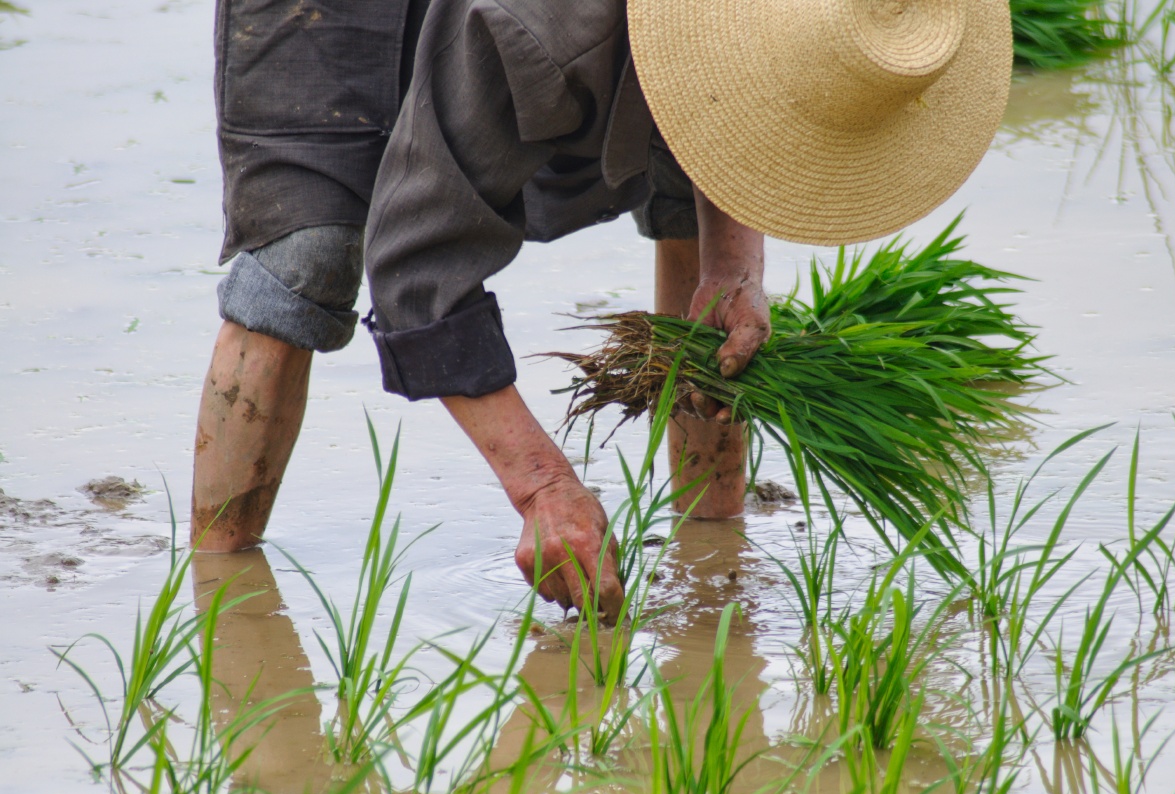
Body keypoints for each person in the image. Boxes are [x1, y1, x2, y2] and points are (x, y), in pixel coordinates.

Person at [191, 0, 1013, 619]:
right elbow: (415, 267)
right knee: (309, 249)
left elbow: (737, 108)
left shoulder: (761, 30)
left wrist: (732, 264)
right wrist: (543, 488)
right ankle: (214, 602)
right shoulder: (534, 25)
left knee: (686, 172)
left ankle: (712, 556)